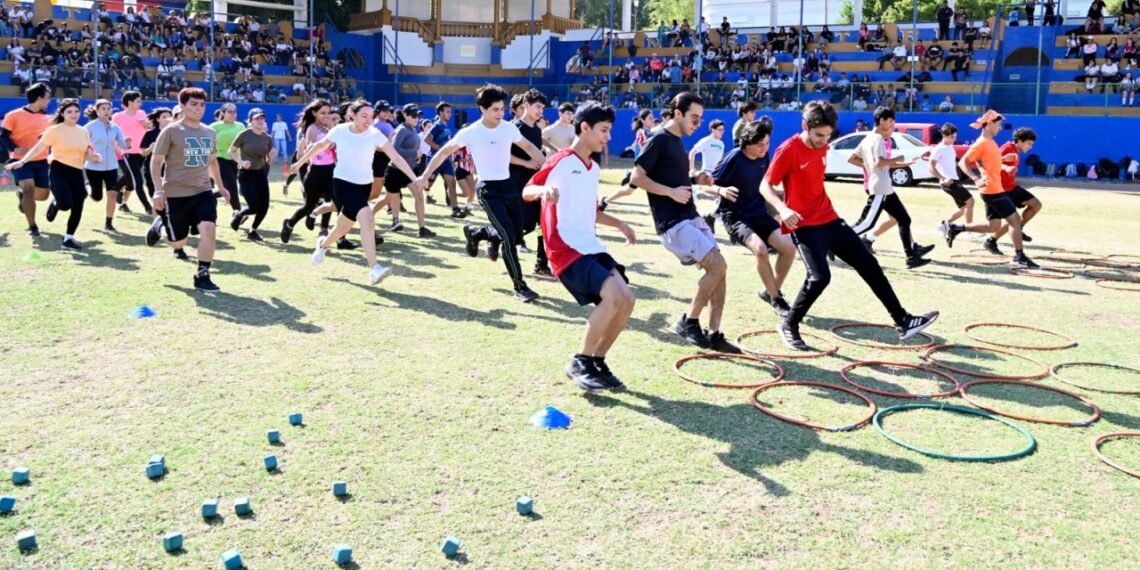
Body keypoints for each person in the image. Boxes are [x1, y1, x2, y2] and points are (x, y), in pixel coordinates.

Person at [759, 101, 939, 350]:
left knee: (869, 263)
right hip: (804, 225)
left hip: (830, 218)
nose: (824, 141)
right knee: (820, 278)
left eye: (828, 136)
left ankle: (903, 320)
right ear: (805, 126)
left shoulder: (821, 145)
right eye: (819, 135)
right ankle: (789, 325)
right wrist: (783, 208)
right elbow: (765, 185)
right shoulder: (788, 149)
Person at [523, 101, 636, 391]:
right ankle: (580, 360)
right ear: (584, 128)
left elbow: (591, 212)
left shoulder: (593, 168)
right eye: (603, 130)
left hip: (590, 245)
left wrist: (621, 224)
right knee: (612, 297)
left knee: (627, 300)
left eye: (609, 131)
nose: (608, 137)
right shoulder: (561, 159)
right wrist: (544, 190)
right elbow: (527, 190)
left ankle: (597, 362)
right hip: (565, 247)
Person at [418, 84, 546, 302]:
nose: (500, 114)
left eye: (502, 109)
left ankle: (477, 233)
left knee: (516, 235)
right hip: (489, 190)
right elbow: (444, 152)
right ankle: (520, 287)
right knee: (507, 237)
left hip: (510, 188)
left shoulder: (508, 128)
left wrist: (547, 166)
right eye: (495, 109)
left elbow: (531, 149)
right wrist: (425, 175)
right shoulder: (470, 132)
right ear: (482, 109)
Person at [632, 92, 738, 352]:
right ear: (677, 113)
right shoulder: (658, 139)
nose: (697, 123)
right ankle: (689, 322)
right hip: (673, 223)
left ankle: (714, 333)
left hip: (689, 215)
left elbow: (672, 177)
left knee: (719, 271)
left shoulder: (677, 140)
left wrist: (695, 178)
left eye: (701, 119)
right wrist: (669, 192)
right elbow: (636, 177)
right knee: (718, 266)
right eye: (694, 118)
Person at [292, 99, 421, 285]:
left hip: (363, 185)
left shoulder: (375, 134)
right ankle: (374, 269)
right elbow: (319, 146)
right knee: (367, 217)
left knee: (342, 227)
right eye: (364, 116)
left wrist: (414, 178)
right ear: (352, 115)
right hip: (343, 183)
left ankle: (323, 245)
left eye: (371, 116)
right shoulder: (340, 130)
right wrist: (300, 162)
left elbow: (396, 157)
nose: (368, 120)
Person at [146, 87, 233, 291]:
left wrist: (221, 186)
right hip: (176, 194)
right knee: (178, 243)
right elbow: (156, 161)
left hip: (203, 191)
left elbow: (212, 161)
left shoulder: (210, 132)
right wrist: (158, 190)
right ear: (182, 106)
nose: (198, 108)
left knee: (209, 230)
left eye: (202, 104)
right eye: (193, 104)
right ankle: (160, 226)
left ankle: (202, 275)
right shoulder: (171, 131)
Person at [710, 118, 797, 318]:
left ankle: (770, 291)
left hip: (759, 213)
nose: (764, 149)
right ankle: (777, 299)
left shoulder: (764, 158)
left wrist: (777, 202)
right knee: (760, 249)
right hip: (736, 216)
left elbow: (762, 188)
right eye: (759, 145)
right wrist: (721, 190)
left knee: (789, 248)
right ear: (747, 142)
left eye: (767, 144)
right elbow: (707, 184)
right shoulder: (733, 157)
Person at [943, 110, 1039, 269]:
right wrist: (975, 179)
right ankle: (1019, 256)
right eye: (999, 124)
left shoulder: (991, 142)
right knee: (1015, 220)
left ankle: (955, 228)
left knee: (993, 227)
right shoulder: (981, 143)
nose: (1000, 128)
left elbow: (987, 162)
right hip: (992, 190)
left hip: (994, 189)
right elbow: (963, 163)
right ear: (989, 124)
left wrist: (1003, 160)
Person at [6, 98, 99, 250]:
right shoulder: (54, 130)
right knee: (65, 204)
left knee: (78, 204)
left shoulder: (83, 131)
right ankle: (55, 204)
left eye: (76, 111)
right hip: (59, 170)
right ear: (62, 113)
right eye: (69, 111)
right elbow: (37, 149)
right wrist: (21, 162)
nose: (74, 114)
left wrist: (92, 157)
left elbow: (85, 152)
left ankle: (68, 238)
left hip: (76, 171)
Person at [847, 107, 934, 269]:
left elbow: (852, 159)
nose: (893, 123)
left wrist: (871, 166)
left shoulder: (867, 138)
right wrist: (898, 158)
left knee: (904, 219)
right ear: (881, 121)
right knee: (866, 223)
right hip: (880, 187)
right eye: (891, 120)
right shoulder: (878, 139)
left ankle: (911, 256)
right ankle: (833, 242)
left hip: (886, 187)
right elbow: (880, 162)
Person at [281, 99, 338, 244]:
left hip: (330, 171)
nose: (326, 115)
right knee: (308, 206)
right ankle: (289, 224)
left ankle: (323, 228)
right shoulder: (312, 128)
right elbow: (312, 147)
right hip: (316, 173)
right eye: (322, 113)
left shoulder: (326, 129)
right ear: (314, 113)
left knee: (332, 202)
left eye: (328, 112)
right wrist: (300, 162)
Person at [2, 82, 52, 237]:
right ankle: (33, 226)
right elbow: (3, 135)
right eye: (48, 97)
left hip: (42, 161)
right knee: (29, 189)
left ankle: (22, 196)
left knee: (43, 196)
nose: (49, 100)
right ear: (40, 98)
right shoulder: (14, 115)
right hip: (19, 161)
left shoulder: (49, 119)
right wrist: (15, 148)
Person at [509, 89, 551, 276]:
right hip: (516, 185)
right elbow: (503, 156)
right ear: (525, 105)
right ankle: (488, 236)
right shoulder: (514, 128)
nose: (540, 111)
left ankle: (541, 264)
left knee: (543, 223)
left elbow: (538, 153)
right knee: (524, 226)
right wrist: (525, 163)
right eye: (537, 106)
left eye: (542, 107)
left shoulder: (536, 130)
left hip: (535, 184)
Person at [384, 103, 435, 237]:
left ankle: (422, 228)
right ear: (405, 115)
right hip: (395, 170)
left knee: (419, 195)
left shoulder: (412, 129)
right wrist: (414, 153)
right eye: (412, 116)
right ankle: (393, 221)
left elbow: (412, 151)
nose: (416, 118)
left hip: (409, 170)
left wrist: (416, 159)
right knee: (389, 198)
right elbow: (394, 150)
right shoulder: (402, 129)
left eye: (417, 116)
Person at [988, 128, 1042, 252]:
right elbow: (991, 164)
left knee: (1036, 205)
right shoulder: (1006, 149)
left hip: (1012, 187)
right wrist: (1005, 166)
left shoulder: (1016, 151)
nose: (1030, 147)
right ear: (1019, 141)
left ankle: (1019, 229)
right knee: (1014, 220)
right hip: (1002, 190)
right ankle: (991, 241)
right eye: (1029, 144)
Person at [228, 108, 276, 242]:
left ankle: (253, 230)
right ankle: (239, 215)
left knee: (264, 206)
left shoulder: (268, 138)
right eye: (257, 119)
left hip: (260, 173)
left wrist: (271, 156)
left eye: (262, 118)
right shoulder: (244, 134)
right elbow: (231, 151)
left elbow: (269, 161)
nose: (260, 121)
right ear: (250, 121)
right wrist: (241, 162)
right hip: (246, 174)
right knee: (254, 206)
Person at [83, 99, 130, 233]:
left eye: (108, 109)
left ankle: (108, 223)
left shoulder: (115, 127)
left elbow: (123, 146)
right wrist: (90, 154)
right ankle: (88, 186)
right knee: (97, 198)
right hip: (94, 166)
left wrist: (128, 143)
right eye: (103, 109)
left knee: (112, 195)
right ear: (97, 111)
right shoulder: (89, 127)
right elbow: (83, 145)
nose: (106, 111)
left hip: (111, 167)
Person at [599, 109, 655, 211]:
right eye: (650, 118)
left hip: (646, 167)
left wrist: (632, 147)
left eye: (653, 118)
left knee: (629, 190)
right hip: (642, 167)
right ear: (642, 120)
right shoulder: (642, 132)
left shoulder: (648, 132)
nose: (653, 120)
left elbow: (639, 144)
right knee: (655, 185)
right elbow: (645, 143)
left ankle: (606, 200)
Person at [112, 90, 152, 216]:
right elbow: (113, 134)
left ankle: (116, 190)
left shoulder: (141, 113)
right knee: (138, 180)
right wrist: (117, 146)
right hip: (126, 151)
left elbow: (147, 129)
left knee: (130, 177)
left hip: (141, 152)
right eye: (138, 101)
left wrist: (146, 125)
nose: (140, 104)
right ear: (130, 102)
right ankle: (147, 207)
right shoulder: (118, 116)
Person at [928, 123, 975, 228]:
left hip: (954, 180)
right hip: (949, 182)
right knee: (970, 201)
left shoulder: (950, 147)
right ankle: (970, 230)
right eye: (951, 137)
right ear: (944, 136)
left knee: (963, 207)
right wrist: (943, 178)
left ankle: (944, 225)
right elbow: (931, 166)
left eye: (955, 137)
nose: (954, 139)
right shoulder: (939, 148)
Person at [425, 102, 463, 218]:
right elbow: (427, 139)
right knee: (427, 185)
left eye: (450, 112)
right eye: (447, 112)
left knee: (451, 183)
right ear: (440, 113)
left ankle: (455, 209)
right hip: (434, 160)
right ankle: (422, 194)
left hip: (445, 161)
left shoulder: (446, 127)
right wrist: (440, 149)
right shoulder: (436, 125)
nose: (450, 114)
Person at [210, 102, 244, 213]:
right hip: (220, 159)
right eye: (229, 111)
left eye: (235, 112)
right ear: (223, 113)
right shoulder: (214, 127)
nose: (233, 114)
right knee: (233, 186)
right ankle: (238, 213)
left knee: (228, 188)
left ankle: (202, 196)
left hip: (235, 161)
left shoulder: (240, 126)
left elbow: (244, 143)